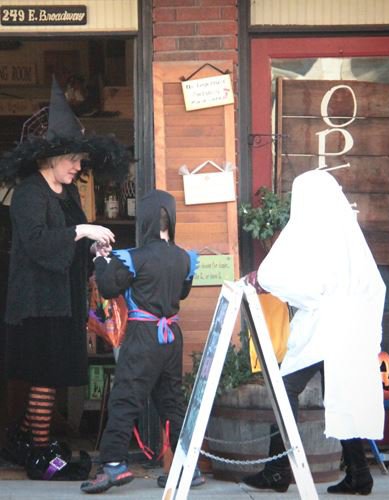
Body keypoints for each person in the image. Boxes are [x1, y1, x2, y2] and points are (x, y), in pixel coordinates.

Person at [0, 76, 130, 480]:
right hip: (37, 302)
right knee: (45, 377)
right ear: (50, 158)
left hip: (64, 298)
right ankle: (39, 455)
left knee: (53, 377)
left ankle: (21, 441)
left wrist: (91, 248)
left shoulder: (66, 194)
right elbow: (38, 243)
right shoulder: (28, 195)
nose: (78, 167)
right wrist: (81, 231)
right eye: (72, 159)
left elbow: (70, 241)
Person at [242, 169, 386, 495]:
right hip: (351, 331)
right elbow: (374, 286)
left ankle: (279, 470)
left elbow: (283, 277)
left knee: (285, 389)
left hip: (323, 330)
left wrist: (261, 280)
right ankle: (359, 474)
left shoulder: (310, 227)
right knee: (342, 395)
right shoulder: (347, 232)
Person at [81, 189, 203, 494]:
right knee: (171, 401)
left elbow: (109, 287)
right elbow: (183, 294)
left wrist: (100, 258)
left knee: (125, 399)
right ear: (170, 219)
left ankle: (112, 466)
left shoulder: (134, 258)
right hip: (171, 337)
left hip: (143, 336)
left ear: (145, 219)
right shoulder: (185, 258)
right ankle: (190, 468)